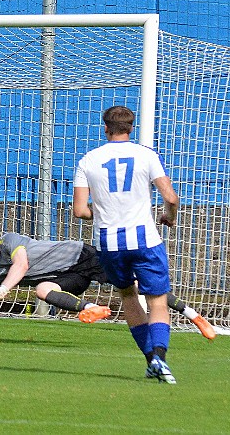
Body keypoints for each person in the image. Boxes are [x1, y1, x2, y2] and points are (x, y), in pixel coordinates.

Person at [72, 105, 180, 384]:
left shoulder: (88, 160)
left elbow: (80, 210)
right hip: (145, 239)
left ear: (105, 128)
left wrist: (105, 211)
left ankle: (150, 362)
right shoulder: (146, 155)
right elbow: (171, 196)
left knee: (128, 296)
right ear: (131, 128)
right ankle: (160, 358)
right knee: (157, 301)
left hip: (108, 241)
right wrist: (169, 216)